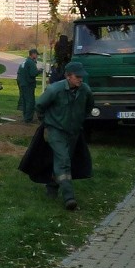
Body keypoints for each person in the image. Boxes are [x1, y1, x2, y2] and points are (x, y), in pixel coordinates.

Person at [34, 60, 94, 211]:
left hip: (73, 132)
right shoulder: (55, 90)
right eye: (77, 76)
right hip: (56, 131)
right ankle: (69, 197)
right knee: (64, 161)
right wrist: (46, 123)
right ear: (68, 76)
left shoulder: (85, 90)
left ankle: (51, 188)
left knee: (63, 160)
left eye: (82, 76)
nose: (81, 79)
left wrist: (79, 121)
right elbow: (39, 105)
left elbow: (89, 107)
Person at [17, 48, 41, 123]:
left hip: (22, 83)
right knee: (30, 101)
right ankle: (28, 118)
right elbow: (33, 73)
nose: (37, 56)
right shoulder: (31, 62)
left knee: (24, 100)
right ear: (33, 54)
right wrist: (40, 71)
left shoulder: (24, 61)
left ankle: (25, 116)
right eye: (36, 54)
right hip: (28, 84)